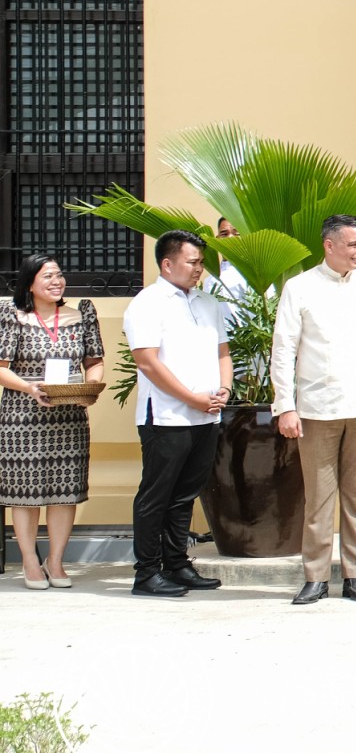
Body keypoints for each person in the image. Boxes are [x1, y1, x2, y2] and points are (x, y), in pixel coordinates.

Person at [272, 214, 356, 606]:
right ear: (328, 245)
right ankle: (315, 577)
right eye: (352, 244)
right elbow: (283, 351)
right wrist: (285, 406)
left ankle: (355, 575)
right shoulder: (299, 288)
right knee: (318, 498)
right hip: (316, 409)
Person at [122, 230, 231, 598]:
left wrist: (223, 392)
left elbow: (223, 353)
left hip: (206, 417)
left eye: (201, 262)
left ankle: (177, 564)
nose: (199, 268)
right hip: (166, 417)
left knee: (185, 494)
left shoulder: (207, 303)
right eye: (192, 262)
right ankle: (147, 572)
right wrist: (191, 398)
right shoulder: (148, 303)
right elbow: (148, 363)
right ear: (167, 264)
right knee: (157, 495)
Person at [0, 255, 104, 589]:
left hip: (69, 412)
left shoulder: (82, 314)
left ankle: (55, 561)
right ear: (29, 283)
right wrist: (30, 388)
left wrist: (89, 388)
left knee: (64, 491)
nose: (57, 281)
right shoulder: (13, 316)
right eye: (47, 276)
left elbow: (95, 361)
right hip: (22, 414)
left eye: (59, 275)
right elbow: (1, 368)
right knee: (25, 493)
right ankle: (30, 561)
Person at [210, 217, 250, 305]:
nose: (230, 237)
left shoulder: (255, 275)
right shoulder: (211, 279)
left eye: (237, 234)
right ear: (217, 239)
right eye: (224, 234)